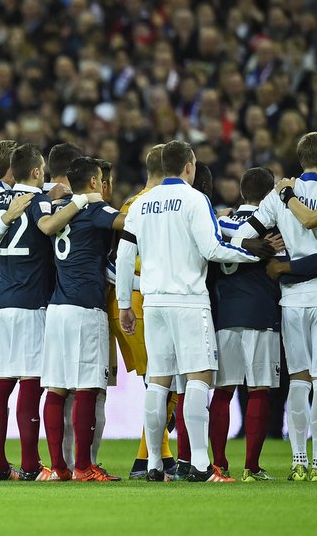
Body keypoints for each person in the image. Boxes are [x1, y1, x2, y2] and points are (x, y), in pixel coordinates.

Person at [116, 140, 268, 483]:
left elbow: (124, 257)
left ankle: (154, 462)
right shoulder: (195, 199)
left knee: (158, 382)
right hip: (188, 301)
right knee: (198, 377)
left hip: (152, 303)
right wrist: (254, 254)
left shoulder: (141, 203)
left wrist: (125, 302)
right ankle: (200, 464)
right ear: (189, 166)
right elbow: (213, 247)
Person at [0, 144, 85, 481]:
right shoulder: (40, 203)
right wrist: (78, 201)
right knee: (31, 383)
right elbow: (49, 227)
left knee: (1, 384)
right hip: (32, 302)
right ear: (37, 172)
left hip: (1, 302)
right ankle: (31, 464)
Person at [233, 132, 317, 482]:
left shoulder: (277, 196)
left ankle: (298, 462)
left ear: (300, 159)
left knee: (299, 379)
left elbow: (240, 237)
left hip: (292, 299)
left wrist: (269, 252)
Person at [37, 157, 122, 483]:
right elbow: (128, 223)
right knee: (87, 388)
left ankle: (59, 467)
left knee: (56, 388)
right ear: (95, 181)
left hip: (57, 308)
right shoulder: (96, 209)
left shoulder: (59, 209)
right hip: (86, 309)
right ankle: (83, 466)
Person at [108, 145, 177, 479]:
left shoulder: (129, 203)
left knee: (162, 381)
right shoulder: (157, 205)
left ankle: (159, 456)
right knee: (163, 381)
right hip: (141, 300)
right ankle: (146, 459)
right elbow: (115, 259)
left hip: (130, 299)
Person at [211, 167, 281, 482]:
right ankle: (252, 468)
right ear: (270, 196)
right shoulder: (275, 226)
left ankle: (219, 463)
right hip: (260, 313)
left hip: (225, 315)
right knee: (259, 390)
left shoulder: (219, 222)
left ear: (242, 193)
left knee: (223, 392)